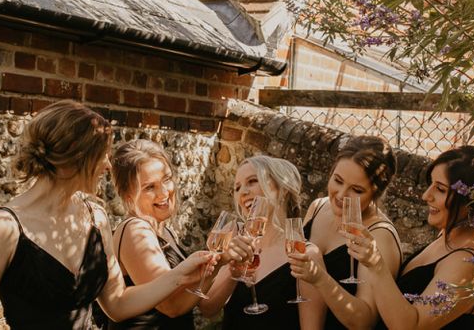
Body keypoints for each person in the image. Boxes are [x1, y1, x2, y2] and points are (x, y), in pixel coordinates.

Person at [0, 100, 209, 330]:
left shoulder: (95, 217)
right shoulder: (4, 228)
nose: (108, 165)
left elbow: (118, 304)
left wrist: (180, 275)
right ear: (77, 156)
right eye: (102, 154)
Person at [348, 145, 474, 330]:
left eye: (440, 189)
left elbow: (412, 327)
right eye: (430, 184)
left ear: (470, 200)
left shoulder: (468, 263)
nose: (426, 195)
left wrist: (376, 265)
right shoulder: (448, 236)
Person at [288, 135, 402, 330]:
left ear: (377, 192)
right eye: (338, 180)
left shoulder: (379, 237)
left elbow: (364, 321)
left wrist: (320, 279)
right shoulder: (318, 207)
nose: (341, 195)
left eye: (356, 190)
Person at [106, 139, 208, 329]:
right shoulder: (136, 230)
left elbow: (193, 299)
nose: (164, 193)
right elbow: (171, 306)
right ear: (128, 194)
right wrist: (213, 270)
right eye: (149, 187)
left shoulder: (163, 230)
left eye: (167, 179)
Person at [199, 155, 304, 329]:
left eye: (252, 181)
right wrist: (232, 272)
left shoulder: (298, 249)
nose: (243, 192)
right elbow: (208, 309)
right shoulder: (232, 236)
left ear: (282, 189)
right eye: (237, 187)